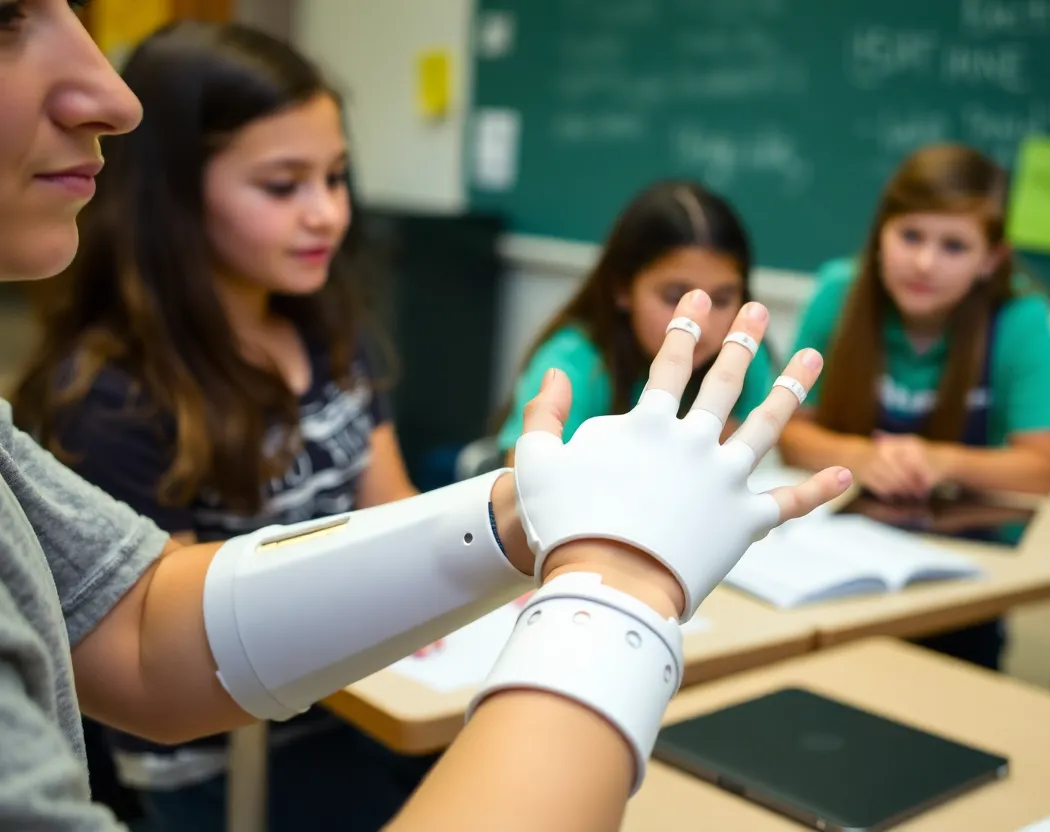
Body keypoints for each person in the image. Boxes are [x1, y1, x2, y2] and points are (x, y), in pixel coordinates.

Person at [0, 4, 851, 830]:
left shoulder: (327, 334)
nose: (114, 98)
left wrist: (523, 513)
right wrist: (623, 582)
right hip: (239, 766)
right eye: (8, 14)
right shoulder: (109, 389)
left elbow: (143, 624)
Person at [9, 21, 427, 830]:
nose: (326, 216)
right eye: (282, 186)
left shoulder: (331, 333)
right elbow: (162, 633)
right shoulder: (111, 395)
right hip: (220, 751)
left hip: (346, 708)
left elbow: (395, 506)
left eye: (337, 179)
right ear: (175, 194)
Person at [778, 143, 1050, 670]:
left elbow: (1041, 468)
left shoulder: (1019, 318)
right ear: (881, 234)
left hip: (956, 570)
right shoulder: (838, 292)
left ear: (991, 259)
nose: (925, 263)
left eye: (954, 245)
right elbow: (790, 432)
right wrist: (862, 457)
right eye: (910, 236)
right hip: (833, 556)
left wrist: (939, 461)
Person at [496, 180, 776, 463]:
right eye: (675, 296)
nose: (699, 321)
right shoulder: (574, 363)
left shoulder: (743, 358)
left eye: (722, 299)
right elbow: (526, 485)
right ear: (622, 288)